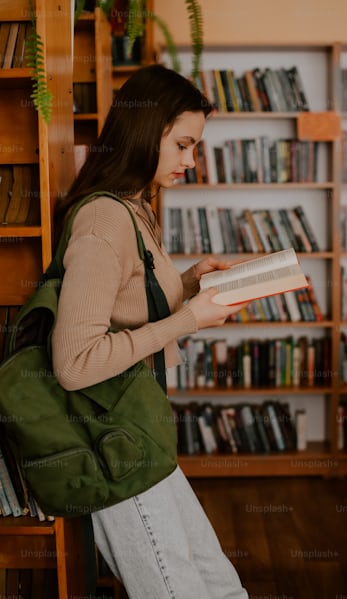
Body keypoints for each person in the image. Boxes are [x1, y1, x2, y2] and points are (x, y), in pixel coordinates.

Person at [52, 64, 249, 599]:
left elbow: (124, 304)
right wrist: (188, 319)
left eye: (196, 146)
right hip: (114, 442)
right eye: (183, 145)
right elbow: (74, 364)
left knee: (222, 587)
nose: (191, 160)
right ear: (146, 132)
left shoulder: (135, 207)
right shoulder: (106, 219)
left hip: (140, 431)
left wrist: (187, 283)